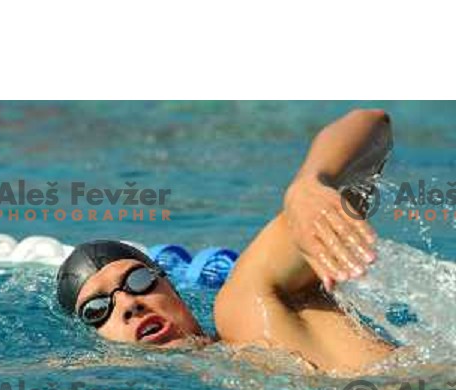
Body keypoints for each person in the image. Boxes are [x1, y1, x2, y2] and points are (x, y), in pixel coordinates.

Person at [56, 109, 395, 374]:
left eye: (138, 280)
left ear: (170, 284)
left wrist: (308, 184)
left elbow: (373, 123)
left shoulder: (247, 303)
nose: (129, 304)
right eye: (97, 309)